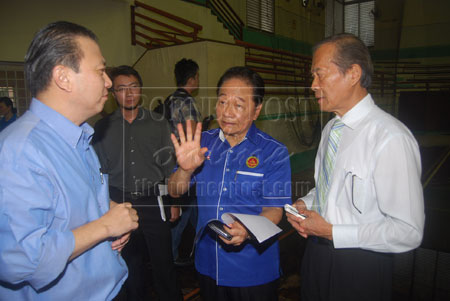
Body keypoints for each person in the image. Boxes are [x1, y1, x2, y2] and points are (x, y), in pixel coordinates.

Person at [0, 21, 138, 300]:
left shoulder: (80, 140)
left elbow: (68, 210)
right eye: (100, 71)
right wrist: (105, 226)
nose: (109, 82)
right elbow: (22, 261)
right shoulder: (20, 151)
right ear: (63, 77)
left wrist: (105, 212)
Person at [286, 33, 425, 301]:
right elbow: (329, 187)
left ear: (353, 74)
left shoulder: (390, 138)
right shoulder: (331, 129)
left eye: (320, 75)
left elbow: (408, 232)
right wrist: (306, 203)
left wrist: (333, 232)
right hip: (315, 256)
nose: (313, 85)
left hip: (361, 266)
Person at [168, 66, 292, 301]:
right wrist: (185, 170)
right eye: (222, 102)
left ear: (256, 110)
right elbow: (175, 191)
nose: (227, 112)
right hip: (207, 264)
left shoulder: (273, 151)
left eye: (238, 104)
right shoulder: (203, 143)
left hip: (253, 269)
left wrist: (248, 231)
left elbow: (275, 209)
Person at [92, 65, 182, 301]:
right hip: (118, 201)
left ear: (141, 89)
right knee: (129, 263)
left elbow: (169, 168)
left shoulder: (158, 123)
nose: (129, 94)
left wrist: (174, 201)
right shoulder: (102, 128)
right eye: (122, 89)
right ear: (113, 94)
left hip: (154, 199)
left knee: (163, 261)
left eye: (133, 87)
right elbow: (99, 173)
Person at [164, 58, 201, 265]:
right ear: (192, 78)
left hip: (169, 159)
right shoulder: (187, 101)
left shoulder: (170, 99)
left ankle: (199, 243)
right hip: (185, 163)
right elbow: (193, 133)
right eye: (197, 76)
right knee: (184, 208)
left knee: (191, 206)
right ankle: (172, 257)